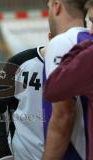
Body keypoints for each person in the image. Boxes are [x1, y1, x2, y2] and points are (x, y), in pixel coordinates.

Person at [43, 1, 93, 159]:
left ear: (57, 5)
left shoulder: (62, 42)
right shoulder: (88, 41)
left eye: (49, 5)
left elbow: (63, 117)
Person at [0, 46, 45, 160]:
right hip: (23, 153)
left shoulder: (78, 65)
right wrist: (3, 153)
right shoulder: (19, 62)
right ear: (50, 37)